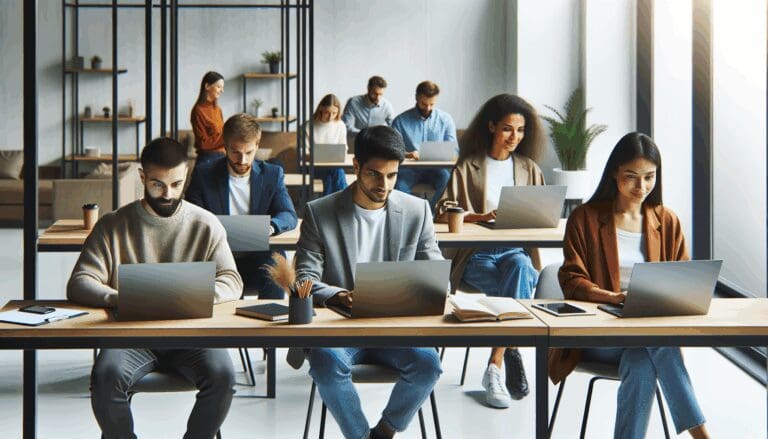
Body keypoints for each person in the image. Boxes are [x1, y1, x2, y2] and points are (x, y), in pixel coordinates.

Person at [67, 137, 242, 439]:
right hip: (130, 337)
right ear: (142, 177)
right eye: (158, 185)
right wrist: (119, 298)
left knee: (224, 375)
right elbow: (80, 282)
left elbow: (232, 280)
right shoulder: (112, 225)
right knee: (106, 376)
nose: (168, 194)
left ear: (186, 175)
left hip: (193, 336)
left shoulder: (206, 224)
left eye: (176, 184)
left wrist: (195, 295)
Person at [553, 132, 709, 439]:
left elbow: (684, 279)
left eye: (649, 177)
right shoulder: (584, 218)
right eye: (631, 177)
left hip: (647, 334)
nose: (641, 187)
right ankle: (702, 436)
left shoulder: (667, 221)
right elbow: (572, 280)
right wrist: (613, 297)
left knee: (642, 361)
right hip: (599, 334)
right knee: (658, 343)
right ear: (614, 172)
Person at [294, 126, 443, 439]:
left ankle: (385, 432)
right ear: (356, 167)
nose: (384, 184)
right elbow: (305, 278)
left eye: (392, 176)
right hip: (341, 326)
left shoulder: (417, 211)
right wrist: (338, 296)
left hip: (396, 325)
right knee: (325, 363)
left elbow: (435, 270)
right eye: (375, 174)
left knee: (429, 365)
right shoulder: (320, 212)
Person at [435, 93, 545, 408]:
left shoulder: (529, 168)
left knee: (523, 268)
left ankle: (495, 363)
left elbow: (541, 211)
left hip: (513, 251)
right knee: (520, 288)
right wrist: (478, 217)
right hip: (476, 254)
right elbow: (442, 211)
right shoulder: (469, 165)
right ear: (492, 126)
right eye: (508, 129)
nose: (515, 137)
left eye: (521, 130)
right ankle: (512, 348)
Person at [186, 113, 298, 298]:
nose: (243, 160)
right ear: (225, 146)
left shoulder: (272, 174)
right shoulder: (203, 175)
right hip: (218, 257)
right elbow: (191, 218)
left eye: (249, 152)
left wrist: (270, 228)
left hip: (259, 256)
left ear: (257, 145)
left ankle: (270, 323)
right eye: (236, 152)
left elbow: (287, 214)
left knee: (276, 266)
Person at [392, 80, 457, 209]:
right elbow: (392, 149)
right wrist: (408, 154)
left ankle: (428, 213)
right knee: (399, 185)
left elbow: (454, 150)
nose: (428, 108)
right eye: (424, 104)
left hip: (437, 169)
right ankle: (410, 214)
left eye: (432, 104)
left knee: (446, 178)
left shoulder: (446, 120)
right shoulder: (400, 121)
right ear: (416, 97)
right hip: (409, 170)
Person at [304, 93, 349, 195]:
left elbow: (344, 149)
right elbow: (303, 153)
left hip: (334, 167)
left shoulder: (340, 125)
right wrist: (316, 157)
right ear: (320, 108)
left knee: (333, 174)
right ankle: (344, 202)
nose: (330, 117)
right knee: (336, 172)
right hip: (314, 168)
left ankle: (327, 207)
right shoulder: (308, 126)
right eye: (327, 113)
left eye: (334, 113)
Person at [191, 71, 226, 168]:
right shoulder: (198, 111)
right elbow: (203, 144)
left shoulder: (218, 110)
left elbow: (221, 135)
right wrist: (228, 136)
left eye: (222, 88)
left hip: (222, 157)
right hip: (208, 159)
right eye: (219, 87)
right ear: (207, 86)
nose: (222, 90)